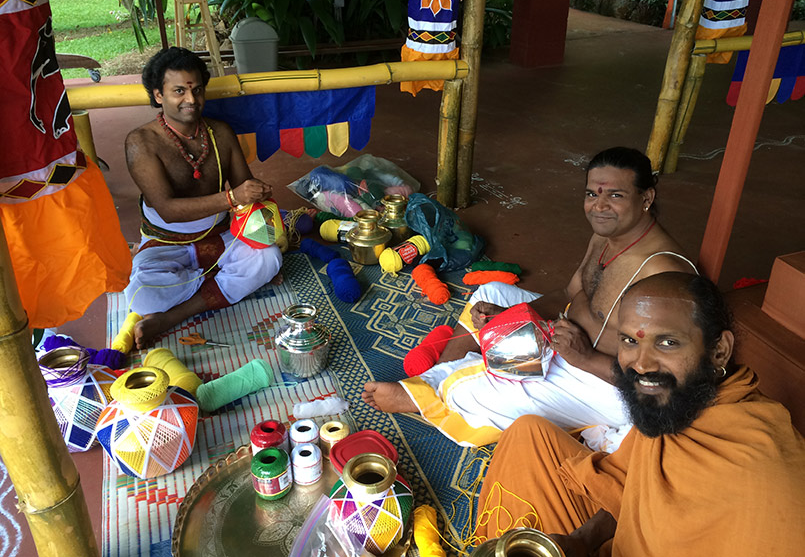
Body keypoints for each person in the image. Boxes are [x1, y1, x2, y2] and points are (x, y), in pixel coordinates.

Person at [362, 147, 697, 447]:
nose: (599, 206)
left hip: (605, 384)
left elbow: (662, 378)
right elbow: (569, 293)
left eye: (616, 195)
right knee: (490, 294)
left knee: (466, 393)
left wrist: (584, 358)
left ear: (646, 198)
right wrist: (512, 316)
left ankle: (436, 388)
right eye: (592, 194)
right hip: (566, 338)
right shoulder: (606, 235)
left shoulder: (663, 273)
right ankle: (441, 376)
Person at [474, 272, 805, 556]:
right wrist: (581, 541)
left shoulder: (765, 487)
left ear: (719, 351)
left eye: (668, 343)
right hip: (626, 539)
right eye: (630, 341)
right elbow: (634, 483)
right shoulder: (680, 403)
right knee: (529, 435)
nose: (641, 364)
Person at [123, 47, 281, 349]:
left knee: (268, 257)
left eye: (196, 90)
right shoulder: (141, 142)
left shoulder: (220, 133)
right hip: (166, 243)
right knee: (142, 293)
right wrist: (233, 197)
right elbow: (168, 210)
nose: (191, 99)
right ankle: (220, 283)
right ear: (158, 95)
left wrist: (256, 194)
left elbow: (244, 188)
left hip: (221, 236)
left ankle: (171, 316)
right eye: (179, 91)